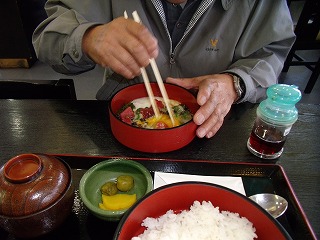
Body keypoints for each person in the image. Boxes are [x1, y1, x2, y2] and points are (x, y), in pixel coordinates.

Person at [32, 0, 295, 138]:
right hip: (123, 126)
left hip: (218, 126)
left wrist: (236, 83)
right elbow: (47, 37)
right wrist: (88, 38)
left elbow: (271, 50)